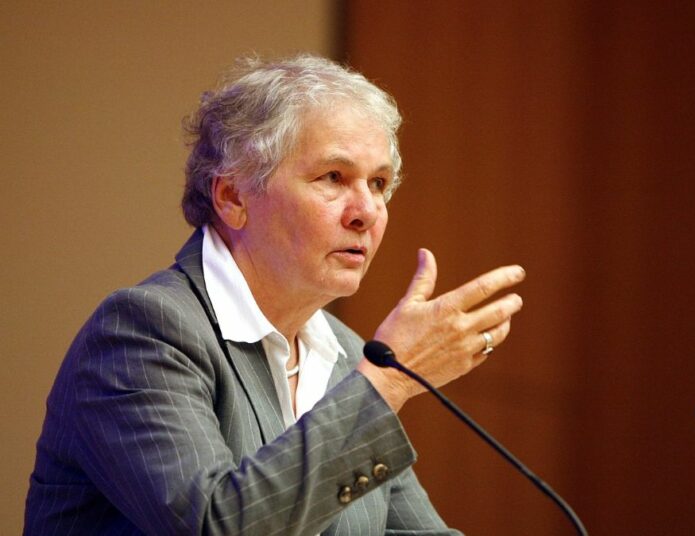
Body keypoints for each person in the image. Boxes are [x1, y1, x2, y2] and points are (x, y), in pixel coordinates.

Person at [24, 55, 524, 535]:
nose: (367, 211)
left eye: (378, 183)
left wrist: (380, 381)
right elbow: (218, 526)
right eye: (334, 177)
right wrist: (388, 384)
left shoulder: (348, 355)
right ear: (232, 197)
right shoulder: (144, 332)